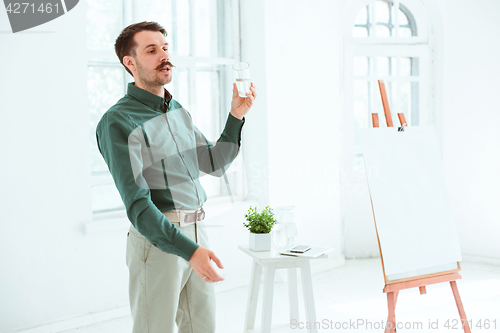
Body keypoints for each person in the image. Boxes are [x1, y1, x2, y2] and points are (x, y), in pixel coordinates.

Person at [96, 21, 256, 333]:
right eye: (151, 50)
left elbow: (214, 162)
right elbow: (138, 206)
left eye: (165, 48)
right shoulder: (118, 121)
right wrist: (188, 251)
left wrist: (236, 115)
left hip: (198, 232)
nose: (163, 56)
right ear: (130, 62)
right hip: (158, 242)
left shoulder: (177, 110)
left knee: (202, 327)